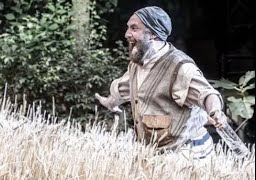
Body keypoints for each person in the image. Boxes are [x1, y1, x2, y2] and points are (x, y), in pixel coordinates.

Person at [95, 6, 227, 159]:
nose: (126, 34)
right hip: (156, 155)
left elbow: (207, 94)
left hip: (187, 154)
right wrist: (110, 102)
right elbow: (125, 88)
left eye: (134, 28)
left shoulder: (179, 67)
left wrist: (215, 111)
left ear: (152, 34)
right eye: (128, 28)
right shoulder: (138, 64)